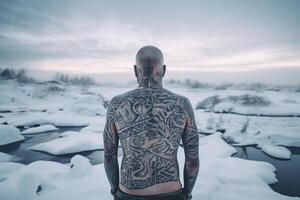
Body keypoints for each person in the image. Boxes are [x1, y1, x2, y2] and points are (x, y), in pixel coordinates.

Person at [103, 46, 199, 200]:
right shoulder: (182, 104)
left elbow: (109, 156)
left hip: (128, 194)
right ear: (165, 70)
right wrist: (187, 193)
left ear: (135, 70)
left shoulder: (117, 104)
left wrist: (115, 190)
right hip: (172, 193)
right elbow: (192, 159)